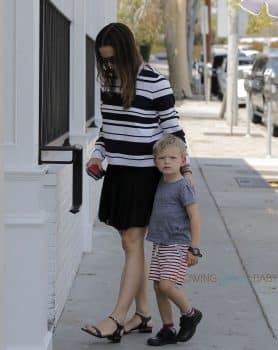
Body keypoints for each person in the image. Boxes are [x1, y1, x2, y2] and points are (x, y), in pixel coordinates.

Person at [81, 22, 192, 344]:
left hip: (146, 175)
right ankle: (143, 315)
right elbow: (109, 132)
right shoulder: (110, 83)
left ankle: (116, 318)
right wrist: (97, 155)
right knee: (129, 245)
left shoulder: (155, 82)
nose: (109, 66)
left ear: (128, 53)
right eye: (104, 61)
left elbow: (174, 133)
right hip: (118, 174)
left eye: (114, 59)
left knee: (132, 243)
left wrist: (185, 172)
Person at [146, 134, 202, 346]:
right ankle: (168, 329)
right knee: (158, 287)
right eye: (162, 158)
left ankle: (190, 314)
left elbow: (195, 217)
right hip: (160, 243)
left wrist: (193, 248)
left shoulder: (183, 186)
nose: (166, 162)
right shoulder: (161, 181)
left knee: (168, 286)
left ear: (182, 161)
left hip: (177, 244)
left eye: (172, 157)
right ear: (155, 162)